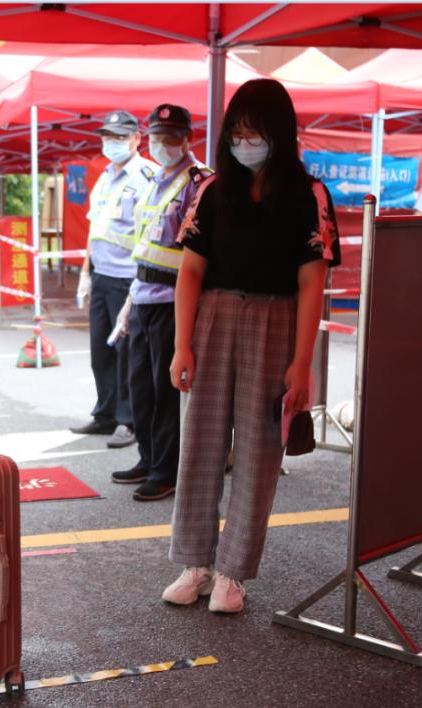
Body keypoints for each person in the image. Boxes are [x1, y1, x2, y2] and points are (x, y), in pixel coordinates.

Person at [164, 79, 341, 614]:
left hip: (276, 318)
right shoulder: (214, 191)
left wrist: (302, 364)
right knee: (200, 443)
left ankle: (233, 574)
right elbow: (190, 272)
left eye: (256, 133)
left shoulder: (309, 195)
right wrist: (181, 347)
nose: (245, 143)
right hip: (212, 317)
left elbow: (313, 282)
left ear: (279, 135)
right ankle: (195, 563)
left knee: (261, 452)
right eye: (238, 133)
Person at [111, 104, 211, 501]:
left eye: (171, 138)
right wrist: (131, 299)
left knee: (165, 388)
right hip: (144, 294)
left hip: (174, 298)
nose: (162, 145)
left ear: (188, 139)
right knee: (140, 386)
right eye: (156, 138)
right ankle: (148, 457)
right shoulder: (153, 179)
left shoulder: (198, 182)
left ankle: (166, 470)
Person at [71, 110, 159, 450]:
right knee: (100, 350)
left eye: (121, 137)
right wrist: (84, 273)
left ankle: (128, 419)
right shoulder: (105, 176)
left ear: (137, 139)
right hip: (101, 274)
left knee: (126, 352)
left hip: (128, 277)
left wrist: (140, 281)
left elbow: (150, 231)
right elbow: (96, 231)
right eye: (108, 137)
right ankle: (105, 412)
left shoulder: (145, 175)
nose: (113, 143)